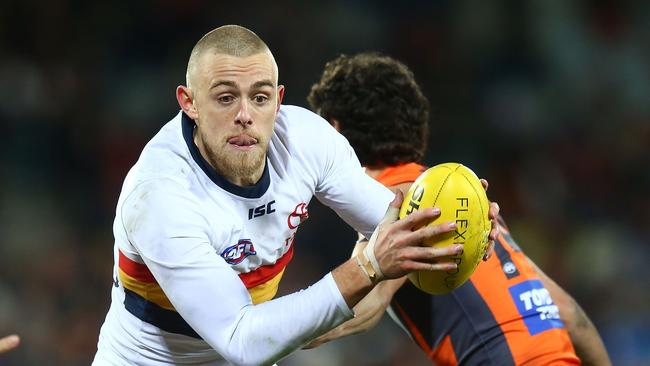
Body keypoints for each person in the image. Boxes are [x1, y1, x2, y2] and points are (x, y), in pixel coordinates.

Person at [92, 25, 499, 366]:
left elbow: (389, 218)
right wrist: (370, 266)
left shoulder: (307, 142)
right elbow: (243, 341)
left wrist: (460, 228)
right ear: (189, 103)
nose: (245, 114)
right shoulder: (160, 196)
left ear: (279, 100)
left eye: (260, 96)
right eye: (225, 97)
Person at [307, 53, 612, 365]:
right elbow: (572, 317)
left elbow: (362, 310)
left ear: (335, 131)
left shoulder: (396, 204)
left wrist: (271, 333)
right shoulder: (464, 201)